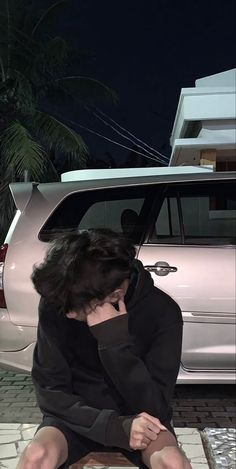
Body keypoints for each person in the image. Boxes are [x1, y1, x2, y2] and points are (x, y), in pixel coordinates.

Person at [17, 228, 192, 469]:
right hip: (76, 419)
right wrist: (112, 428)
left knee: (173, 463)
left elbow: (156, 406)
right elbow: (50, 392)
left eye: (75, 308)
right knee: (35, 458)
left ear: (115, 295)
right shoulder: (60, 301)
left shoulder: (163, 312)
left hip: (141, 419)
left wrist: (114, 344)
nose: (67, 313)